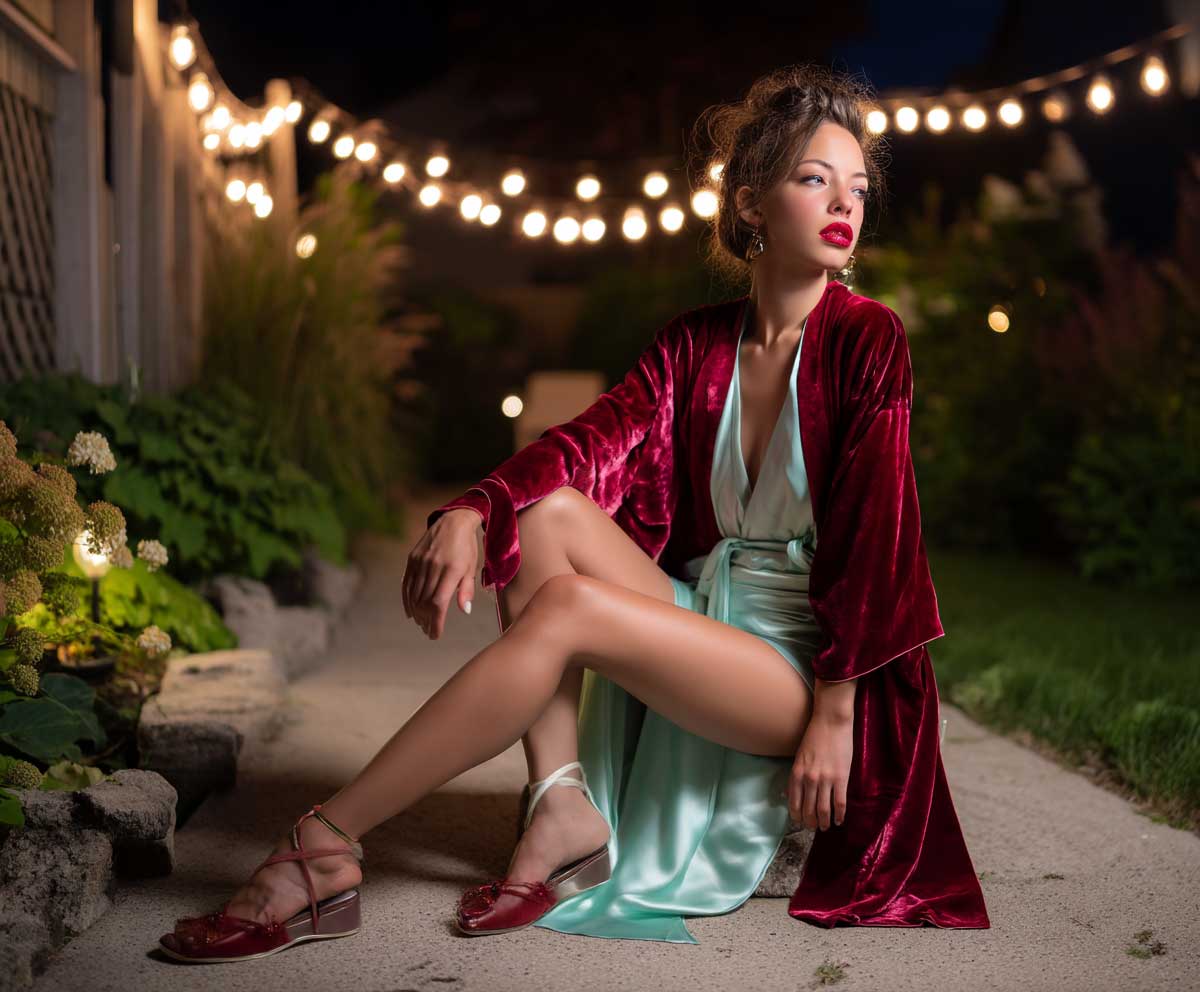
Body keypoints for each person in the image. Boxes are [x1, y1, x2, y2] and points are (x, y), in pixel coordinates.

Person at [157, 63, 989, 963]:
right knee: (546, 513)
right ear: (752, 204)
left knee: (569, 608)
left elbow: (880, 544)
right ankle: (559, 800)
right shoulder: (696, 344)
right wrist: (478, 506)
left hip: (807, 665)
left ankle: (322, 845)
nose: (844, 203)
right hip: (710, 619)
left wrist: (834, 716)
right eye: (813, 179)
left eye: (857, 186)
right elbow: (590, 440)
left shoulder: (867, 340)